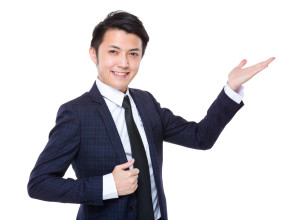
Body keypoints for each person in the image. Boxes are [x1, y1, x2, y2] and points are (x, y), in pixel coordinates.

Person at [27, 10, 275, 220]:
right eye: (113, 51)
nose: (123, 63)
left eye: (133, 54)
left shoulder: (146, 103)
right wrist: (107, 186)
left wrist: (230, 89)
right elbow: (39, 184)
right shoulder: (76, 112)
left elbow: (201, 137)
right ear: (94, 54)